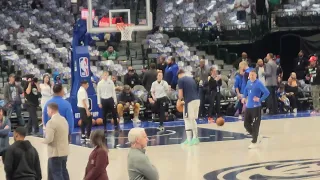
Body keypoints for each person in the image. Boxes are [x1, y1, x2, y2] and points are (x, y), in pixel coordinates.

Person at [242, 70, 270, 149]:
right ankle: (256, 136)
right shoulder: (248, 82)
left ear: (256, 76)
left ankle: (254, 141)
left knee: (255, 124)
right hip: (248, 107)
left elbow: (267, 92)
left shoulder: (258, 83)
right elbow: (245, 90)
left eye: (253, 75)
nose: (251, 76)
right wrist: (244, 97)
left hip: (256, 107)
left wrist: (260, 99)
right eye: (250, 75)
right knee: (246, 124)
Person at [43, 103, 70, 180]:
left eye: (48, 110)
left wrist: (43, 141)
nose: (47, 112)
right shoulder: (64, 120)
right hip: (64, 151)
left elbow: (49, 139)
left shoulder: (51, 122)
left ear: (51, 110)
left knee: (57, 174)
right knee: (64, 171)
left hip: (55, 153)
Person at [178, 69, 200, 146]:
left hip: (189, 101)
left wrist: (179, 101)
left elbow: (180, 95)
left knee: (187, 119)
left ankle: (190, 138)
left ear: (180, 74)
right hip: (197, 100)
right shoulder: (191, 79)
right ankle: (194, 138)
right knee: (193, 119)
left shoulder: (181, 80)